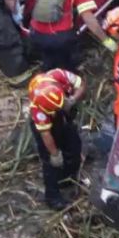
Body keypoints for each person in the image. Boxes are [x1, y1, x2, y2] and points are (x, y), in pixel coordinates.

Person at [27, 68, 86, 210]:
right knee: (50, 162)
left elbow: (82, 84)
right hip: (46, 126)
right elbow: (46, 134)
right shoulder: (38, 108)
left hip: (64, 114)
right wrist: (55, 154)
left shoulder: (60, 75)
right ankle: (53, 197)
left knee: (74, 145)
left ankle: (67, 177)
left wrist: (72, 100)